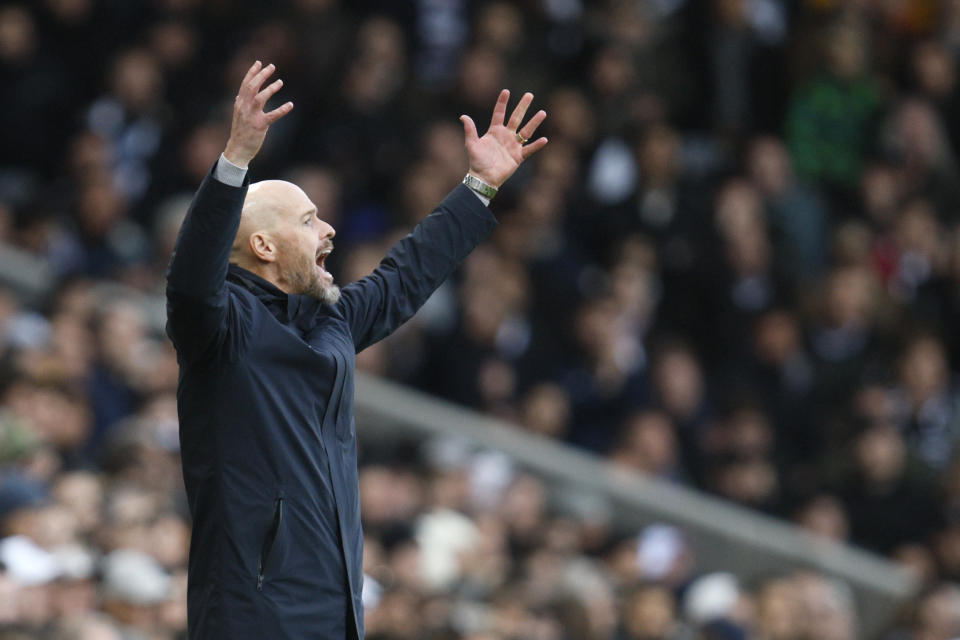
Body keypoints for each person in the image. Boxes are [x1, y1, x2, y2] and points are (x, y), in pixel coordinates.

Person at [164, 60, 547, 640]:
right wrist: (236, 159)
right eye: (310, 220)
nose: (329, 232)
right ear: (264, 245)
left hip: (337, 611)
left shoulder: (330, 321)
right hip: (253, 615)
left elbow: (404, 276)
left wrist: (480, 186)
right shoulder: (222, 330)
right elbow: (191, 282)